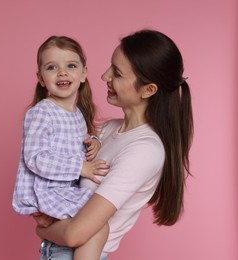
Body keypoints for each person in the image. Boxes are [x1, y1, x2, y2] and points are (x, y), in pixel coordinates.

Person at [35, 29, 194, 260]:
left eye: (117, 73)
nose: (104, 76)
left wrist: (42, 229)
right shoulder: (106, 130)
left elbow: (75, 234)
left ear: (148, 90)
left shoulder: (145, 150)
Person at [12, 35, 110, 260]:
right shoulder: (40, 113)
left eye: (71, 66)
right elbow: (36, 158)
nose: (62, 73)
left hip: (65, 192)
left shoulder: (78, 115)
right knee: (97, 221)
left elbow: (75, 142)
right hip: (49, 192)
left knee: (97, 221)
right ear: (41, 78)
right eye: (52, 67)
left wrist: (94, 142)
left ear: (84, 73)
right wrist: (82, 168)